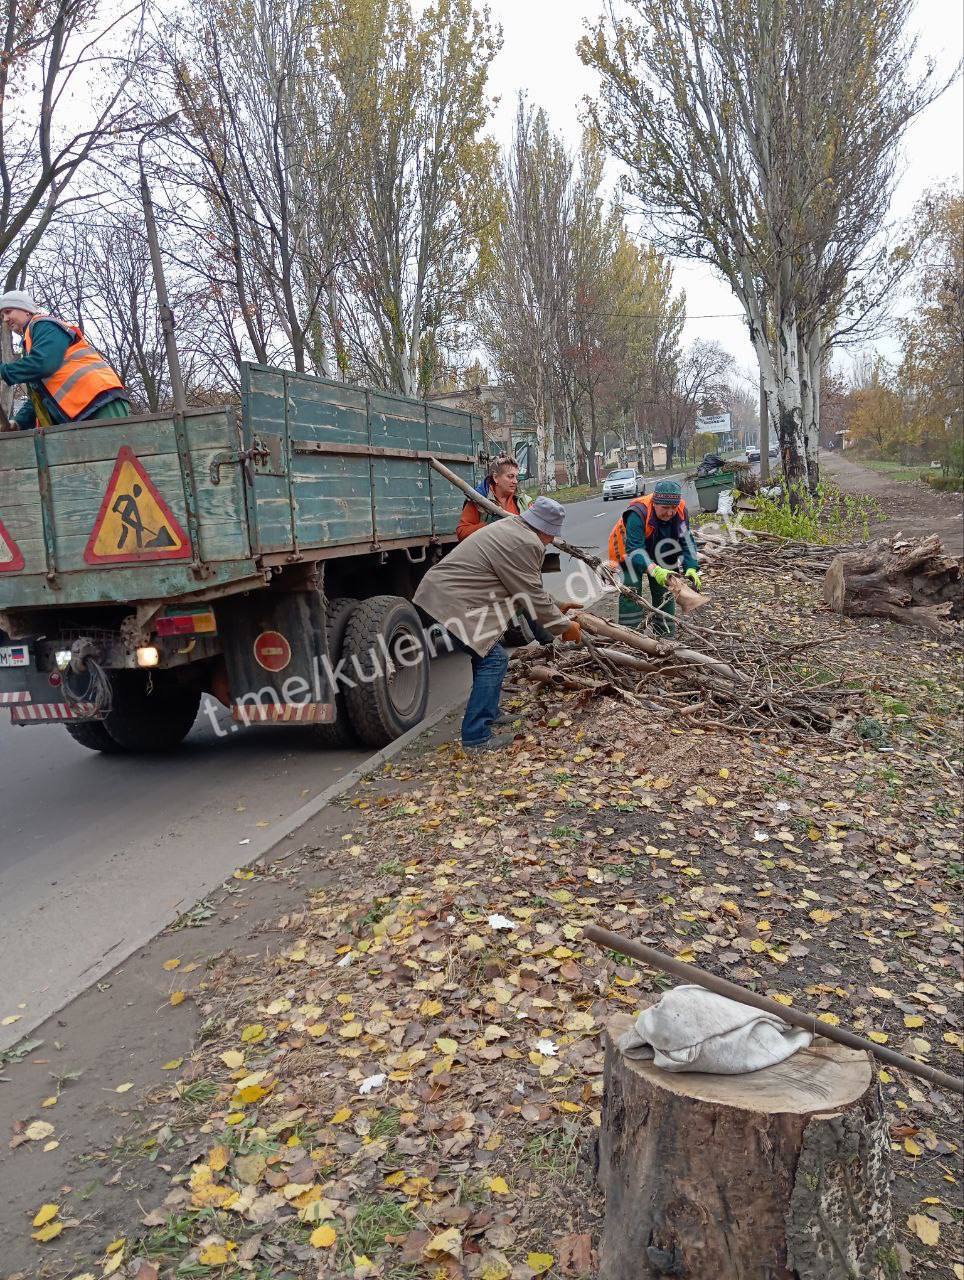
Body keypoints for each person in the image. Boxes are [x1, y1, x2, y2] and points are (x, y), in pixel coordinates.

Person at [415, 495, 581, 751]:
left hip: (448, 594)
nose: (551, 540)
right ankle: (476, 737)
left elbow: (523, 586)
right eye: (552, 534)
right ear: (545, 529)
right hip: (450, 600)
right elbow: (530, 595)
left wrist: (559, 606)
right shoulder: (526, 543)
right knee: (494, 660)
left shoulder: (515, 528)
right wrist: (564, 626)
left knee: (485, 656)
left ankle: (490, 714)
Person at [0, 290, 130, 431]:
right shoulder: (30, 344)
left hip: (100, 401)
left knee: (117, 450)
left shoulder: (44, 325)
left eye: (8, 311)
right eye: (2, 316)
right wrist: (19, 422)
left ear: (26, 310)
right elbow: (40, 397)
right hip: (82, 411)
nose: (5, 319)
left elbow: (44, 364)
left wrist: (3, 372)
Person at [607, 478, 701, 636]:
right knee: (631, 590)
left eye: (673, 507)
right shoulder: (637, 513)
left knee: (666, 590)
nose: (670, 512)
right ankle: (630, 636)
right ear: (654, 503)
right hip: (629, 550)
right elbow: (635, 550)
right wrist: (654, 570)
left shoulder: (680, 510)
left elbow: (686, 541)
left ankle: (665, 636)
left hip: (661, 547)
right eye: (665, 507)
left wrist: (691, 567)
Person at [456, 455, 530, 540]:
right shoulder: (478, 500)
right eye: (510, 476)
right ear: (495, 478)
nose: (515, 481)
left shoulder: (523, 501)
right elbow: (461, 534)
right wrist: (488, 525)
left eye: (516, 477)